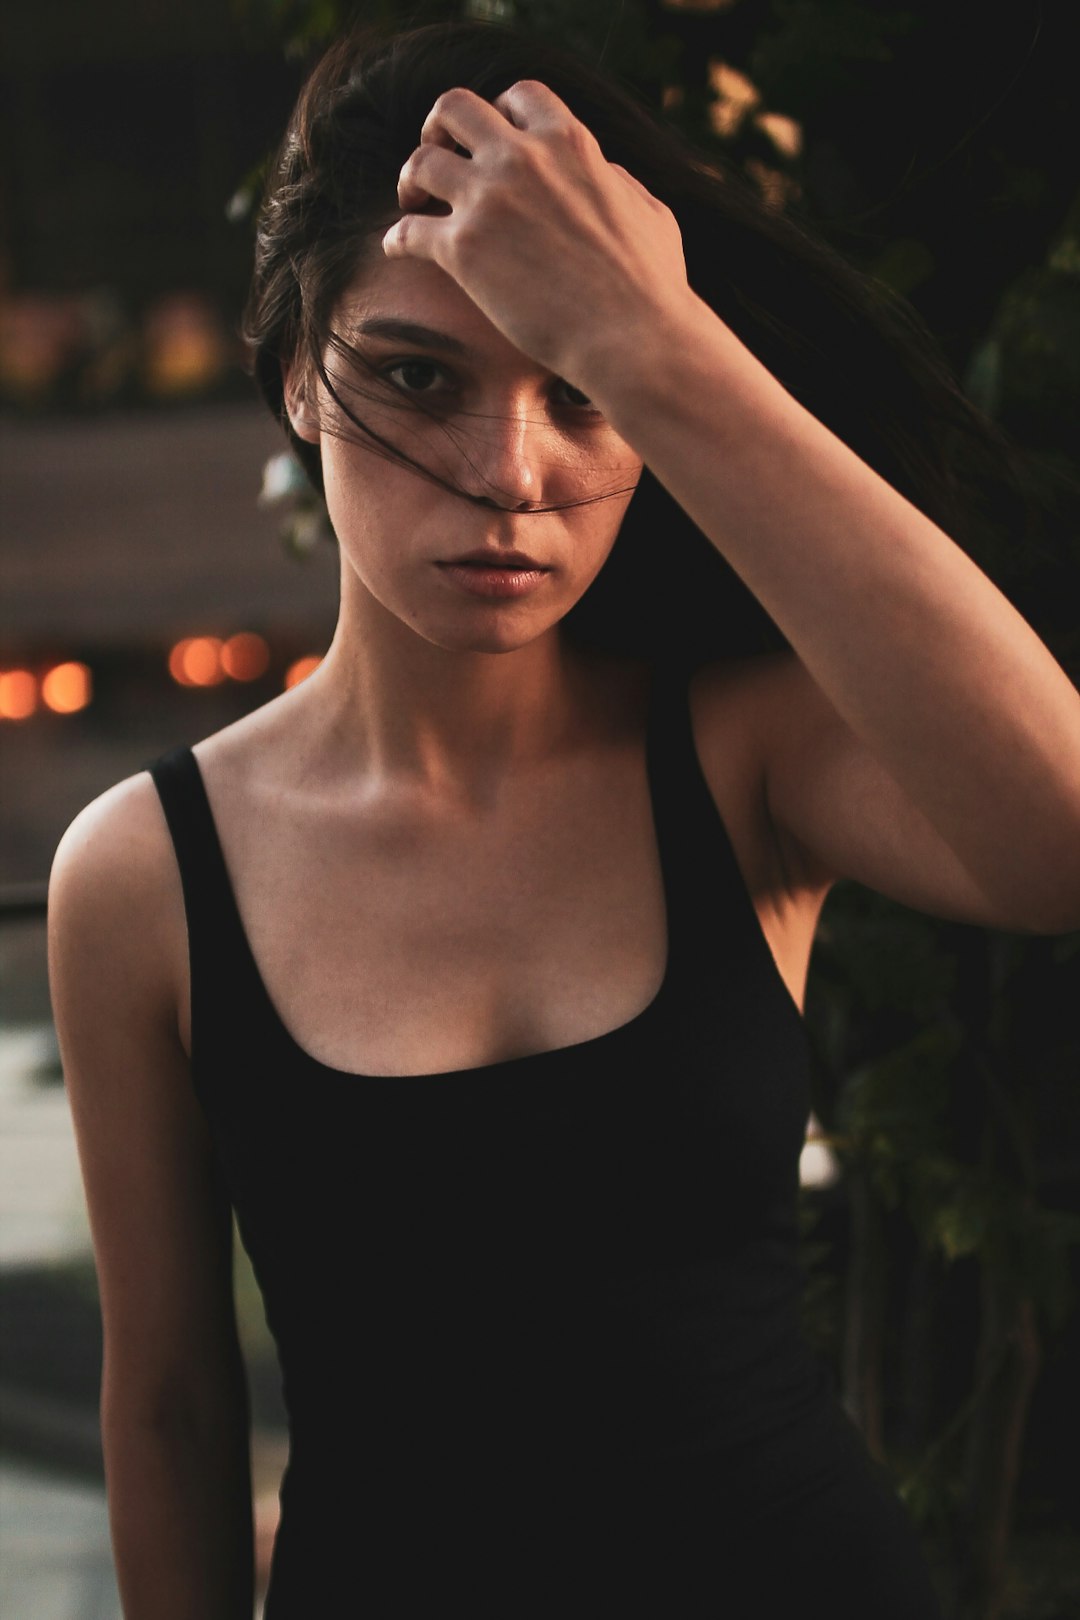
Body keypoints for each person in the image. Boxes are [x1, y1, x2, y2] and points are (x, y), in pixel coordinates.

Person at [47, 17, 1080, 1619]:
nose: (510, 474)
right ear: (296, 378)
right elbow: (171, 1412)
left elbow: (1060, 844)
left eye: (581, 394)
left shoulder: (745, 749)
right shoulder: (143, 874)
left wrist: (658, 341)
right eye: (416, 376)